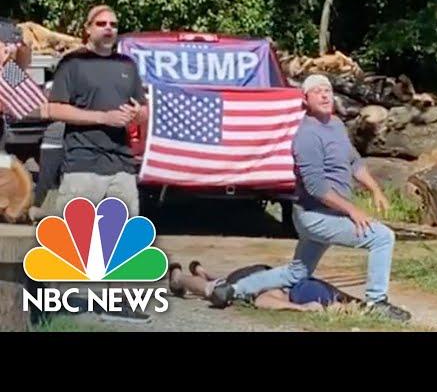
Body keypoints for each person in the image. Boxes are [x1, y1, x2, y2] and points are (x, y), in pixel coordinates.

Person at [209, 74, 411, 322]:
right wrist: (352, 210)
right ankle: (376, 302)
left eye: (327, 90)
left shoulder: (336, 125)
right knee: (382, 237)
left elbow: (354, 162)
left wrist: (375, 189)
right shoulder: (306, 136)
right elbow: (316, 188)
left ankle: (232, 290)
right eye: (317, 91)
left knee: (297, 273)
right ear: (305, 99)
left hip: (328, 213)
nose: (325, 95)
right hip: (315, 216)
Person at [45, 5, 147, 217]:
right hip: (82, 164)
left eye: (113, 25)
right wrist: (104, 118)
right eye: (101, 24)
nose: (108, 28)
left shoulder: (127, 65)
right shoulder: (72, 63)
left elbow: (144, 110)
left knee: (124, 243)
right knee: (74, 243)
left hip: (122, 166)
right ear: (88, 29)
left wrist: (138, 114)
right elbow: (54, 109)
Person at [168, 261, 360, 312]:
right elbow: (262, 300)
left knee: (225, 283)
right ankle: (178, 278)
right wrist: (301, 308)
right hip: (257, 277)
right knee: (212, 290)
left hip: (263, 274)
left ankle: (202, 271)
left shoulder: (329, 294)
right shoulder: (289, 291)